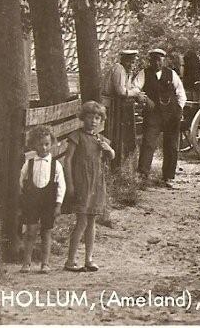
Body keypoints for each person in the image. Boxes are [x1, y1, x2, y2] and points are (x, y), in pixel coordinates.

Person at [62, 101, 114, 272]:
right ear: (83, 118)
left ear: (101, 120)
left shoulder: (100, 139)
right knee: (81, 221)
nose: (93, 121)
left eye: (97, 117)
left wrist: (108, 149)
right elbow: (67, 160)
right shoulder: (76, 136)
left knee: (92, 221)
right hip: (82, 184)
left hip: (96, 185)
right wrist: (69, 184)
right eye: (90, 117)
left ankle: (89, 259)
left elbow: (112, 156)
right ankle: (70, 261)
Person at [133, 48, 186, 189]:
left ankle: (168, 177)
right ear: (150, 61)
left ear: (164, 60)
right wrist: (145, 99)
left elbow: (181, 93)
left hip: (171, 115)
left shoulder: (171, 74)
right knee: (148, 143)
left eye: (160, 59)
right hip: (153, 114)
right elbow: (135, 88)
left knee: (171, 145)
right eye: (154, 60)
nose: (157, 62)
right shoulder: (144, 73)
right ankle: (143, 176)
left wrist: (179, 110)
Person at [19, 125, 66, 273]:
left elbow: (61, 186)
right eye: (40, 144)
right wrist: (24, 197)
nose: (44, 148)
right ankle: (26, 263)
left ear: (51, 144)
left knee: (46, 232)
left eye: (47, 144)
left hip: (48, 203)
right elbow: (21, 180)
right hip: (32, 202)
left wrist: (58, 205)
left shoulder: (56, 165)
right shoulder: (29, 163)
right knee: (30, 231)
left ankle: (45, 263)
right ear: (34, 145)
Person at [103, 49, 140, 168]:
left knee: (119, 135)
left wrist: (134, 92)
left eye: (133, 62)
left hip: (116, 106)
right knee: (112, 134)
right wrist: (135, 93)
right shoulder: (119, 69)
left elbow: (129, 88)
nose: (131, 64)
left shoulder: (127, 72)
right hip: (109, 106)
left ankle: (118, 164)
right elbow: (121, 91)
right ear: (122, 60)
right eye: (128, 61)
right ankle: (111, 164)